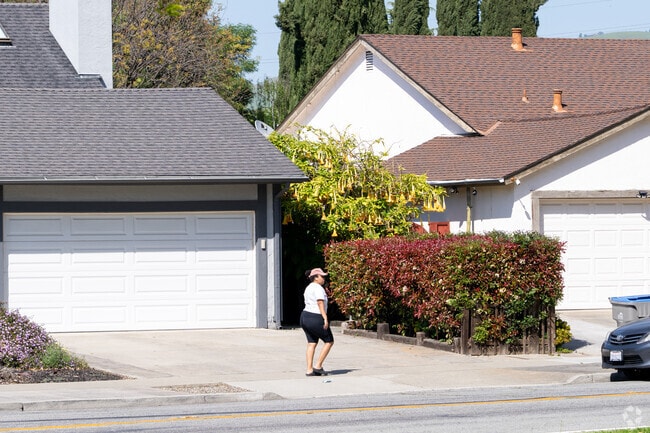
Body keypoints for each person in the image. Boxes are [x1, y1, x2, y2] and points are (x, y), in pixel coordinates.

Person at [300, 267, 334, 376]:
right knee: (329, 341)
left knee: (311, 343)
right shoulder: (318, 288)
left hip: (305, 316)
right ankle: (318, 366)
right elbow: (320, 303)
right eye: (322, 276)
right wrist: (325, 318)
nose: (324, 278)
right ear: (315, 277)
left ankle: (309, 369)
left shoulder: (308, 288)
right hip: (316, 317)